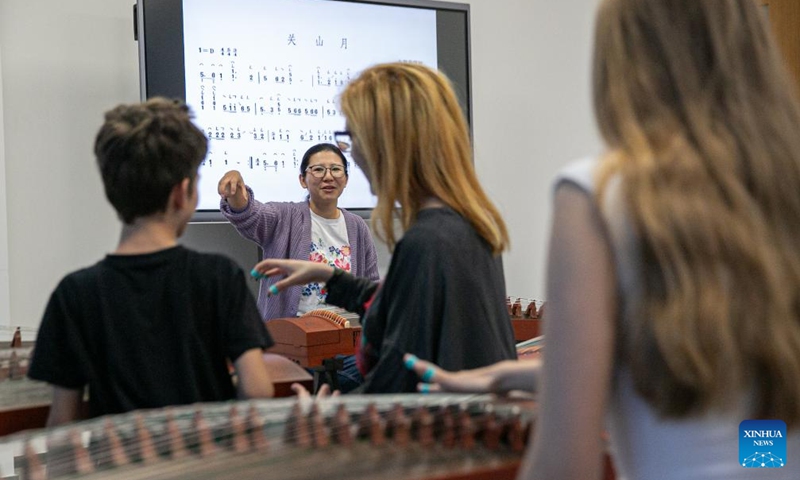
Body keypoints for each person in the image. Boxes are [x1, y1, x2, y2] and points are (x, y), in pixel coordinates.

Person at [406, 1, 800, 478]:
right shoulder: (780, 188)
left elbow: (565, 464)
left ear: (626, 56)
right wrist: (527, 375)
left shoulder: (599, 195)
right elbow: (753, 416)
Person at [252, 63, 518, 394]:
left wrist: (326, 417)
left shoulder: (427, 242)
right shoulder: (471, 224)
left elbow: (396, 380)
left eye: (351, 139)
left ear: (384, 144)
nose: (354, 153)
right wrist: (330, 278)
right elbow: (403, 306)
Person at [28, 98, 275, 426]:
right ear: (182, 192)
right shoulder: (219, 275)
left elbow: (62, 421)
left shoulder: (74, 292)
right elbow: (258, 390)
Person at [219, 143, 379, 392]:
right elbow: (251, 214)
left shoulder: (357, 226)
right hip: (292, 339)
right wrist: (236, 192)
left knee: (371, 375)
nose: (328, 176)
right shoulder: (286, 217)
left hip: (343, 338)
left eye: (336, 169)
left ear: (346, 179)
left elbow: (369, 287)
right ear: (303, 180)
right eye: (318, 169)